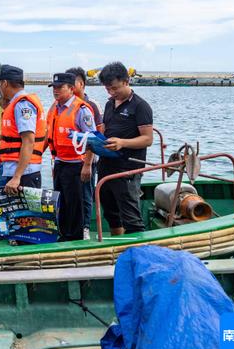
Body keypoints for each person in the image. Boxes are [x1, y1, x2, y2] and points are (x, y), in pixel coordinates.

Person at [98, 62, 153, 235]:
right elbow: (106, 130)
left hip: (127, 169)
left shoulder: (140, 106)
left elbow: (147, 139)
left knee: (131, 215)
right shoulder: (109, 104)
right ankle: (119, 247)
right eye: (108, 89)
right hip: (106, 165)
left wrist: (123, 142)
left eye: (115, 88)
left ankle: (138, 251)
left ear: (126, 81)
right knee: (110, 212)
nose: (112, 92)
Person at [45, 73, 96, 241]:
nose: (56, 91)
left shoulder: (81, 110)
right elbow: (48, 135)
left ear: (71, 89)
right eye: (54, 88)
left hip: (77, 164)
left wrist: (87, 165)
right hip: (60, 162)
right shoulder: (55, 107)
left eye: (60, 87)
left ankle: (76, 237)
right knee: (62, 202)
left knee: (76, 204)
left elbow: (92, 140)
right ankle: (64, 234)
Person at [0, 65, 47, 195]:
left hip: (23, 173)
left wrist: (17, 177)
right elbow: (18, 137)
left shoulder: (22, 104)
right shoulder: (17, 103)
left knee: (25, 215)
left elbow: (28, 141)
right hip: (20, 171)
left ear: (4, 83)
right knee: (19, 214)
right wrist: (1, 136)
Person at [66, 67, 104, 239]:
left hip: (86, 159)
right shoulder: (63, 105)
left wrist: (88, 163)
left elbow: (97, 134)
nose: (69, 87)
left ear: (81, 83)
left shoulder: (91, 105)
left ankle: (85, 228)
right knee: (70, 194)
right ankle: (70, 227)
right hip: (67, 160)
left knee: (86, 193)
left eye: (72, 83)